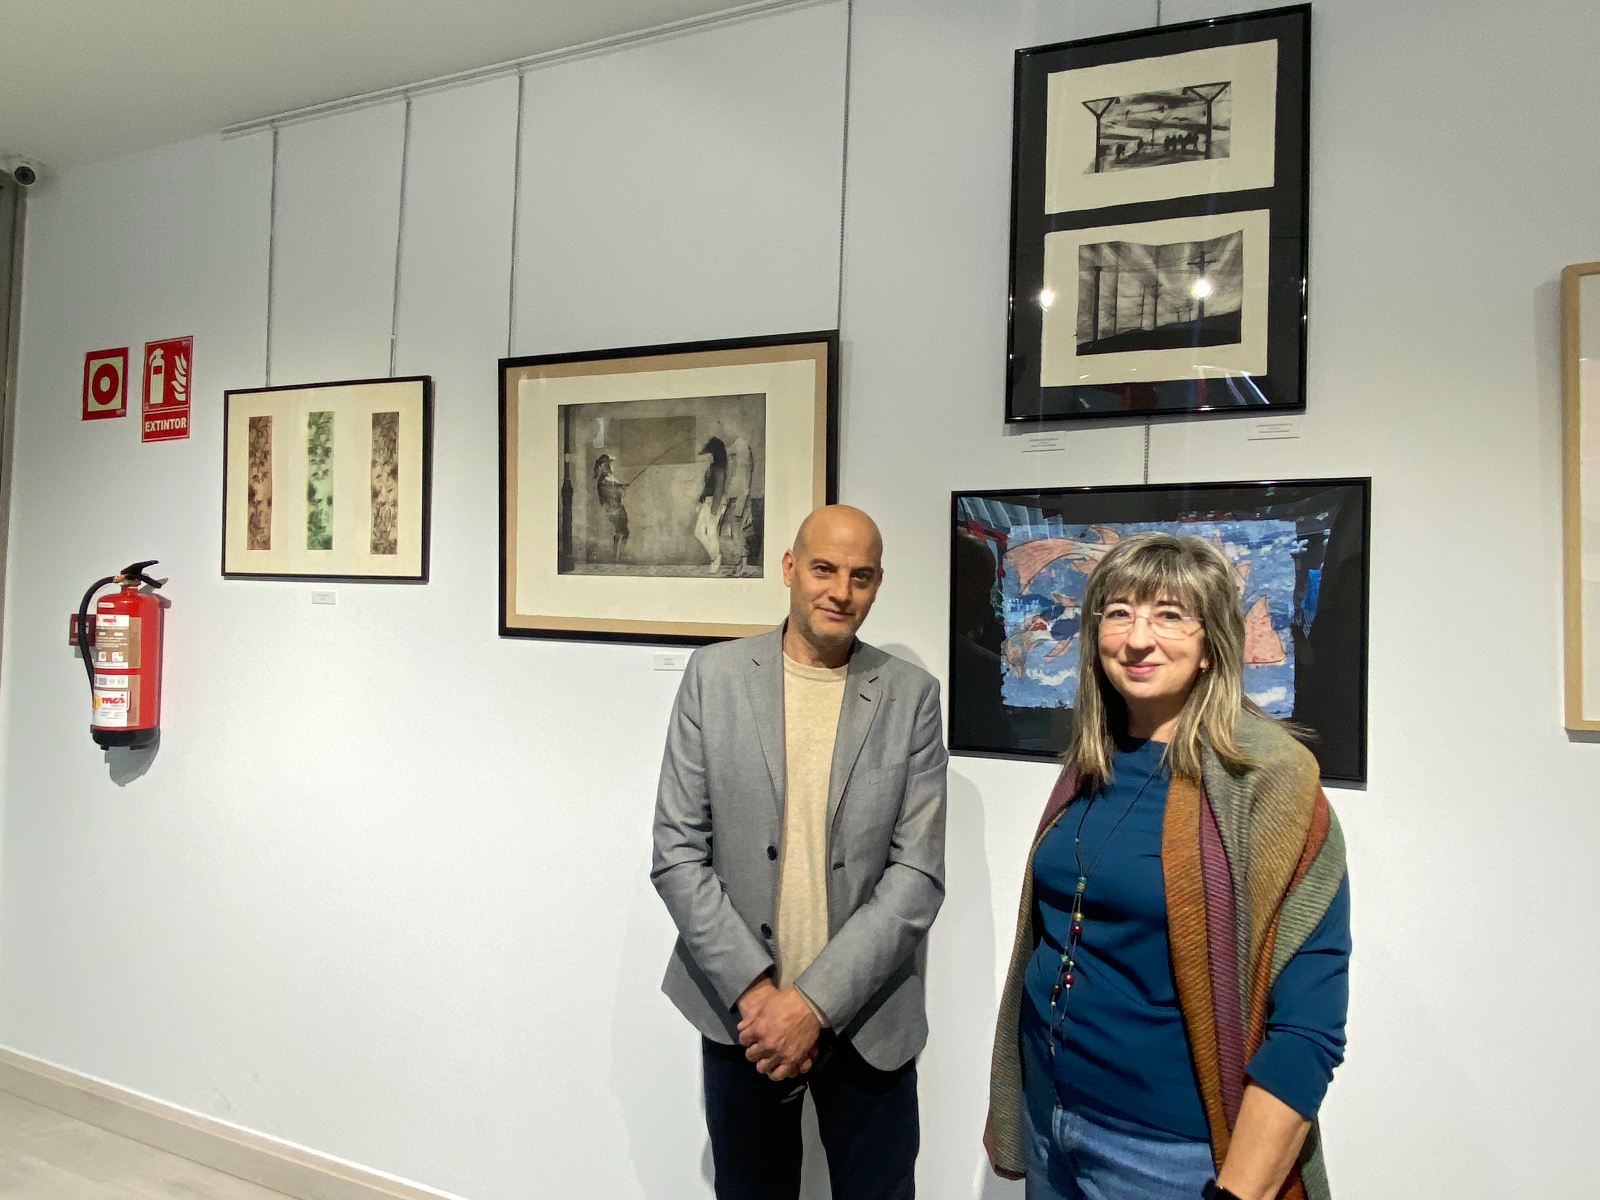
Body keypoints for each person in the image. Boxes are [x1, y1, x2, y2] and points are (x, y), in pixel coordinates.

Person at [984, 532, 1349, 1200]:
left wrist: (1238, 1193)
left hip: (1167, 1154)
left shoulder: (1269, 778)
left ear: (1212, 642)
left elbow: (1308, 1030)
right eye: (1118, 612)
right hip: (1052, 1115)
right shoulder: (1093, 758)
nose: (1138, 638)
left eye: (1170, 616)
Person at [653, 504, 948, 1200]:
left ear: (877, 585)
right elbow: (676, 850)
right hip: (743, 1017)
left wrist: (810, 1006)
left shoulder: (912, 698)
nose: (839, 591)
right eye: (823, 569)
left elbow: (918, 875)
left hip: (871, 1017)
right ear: (789, 569)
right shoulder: (714, 678)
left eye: (860, 576)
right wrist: (760, 998)